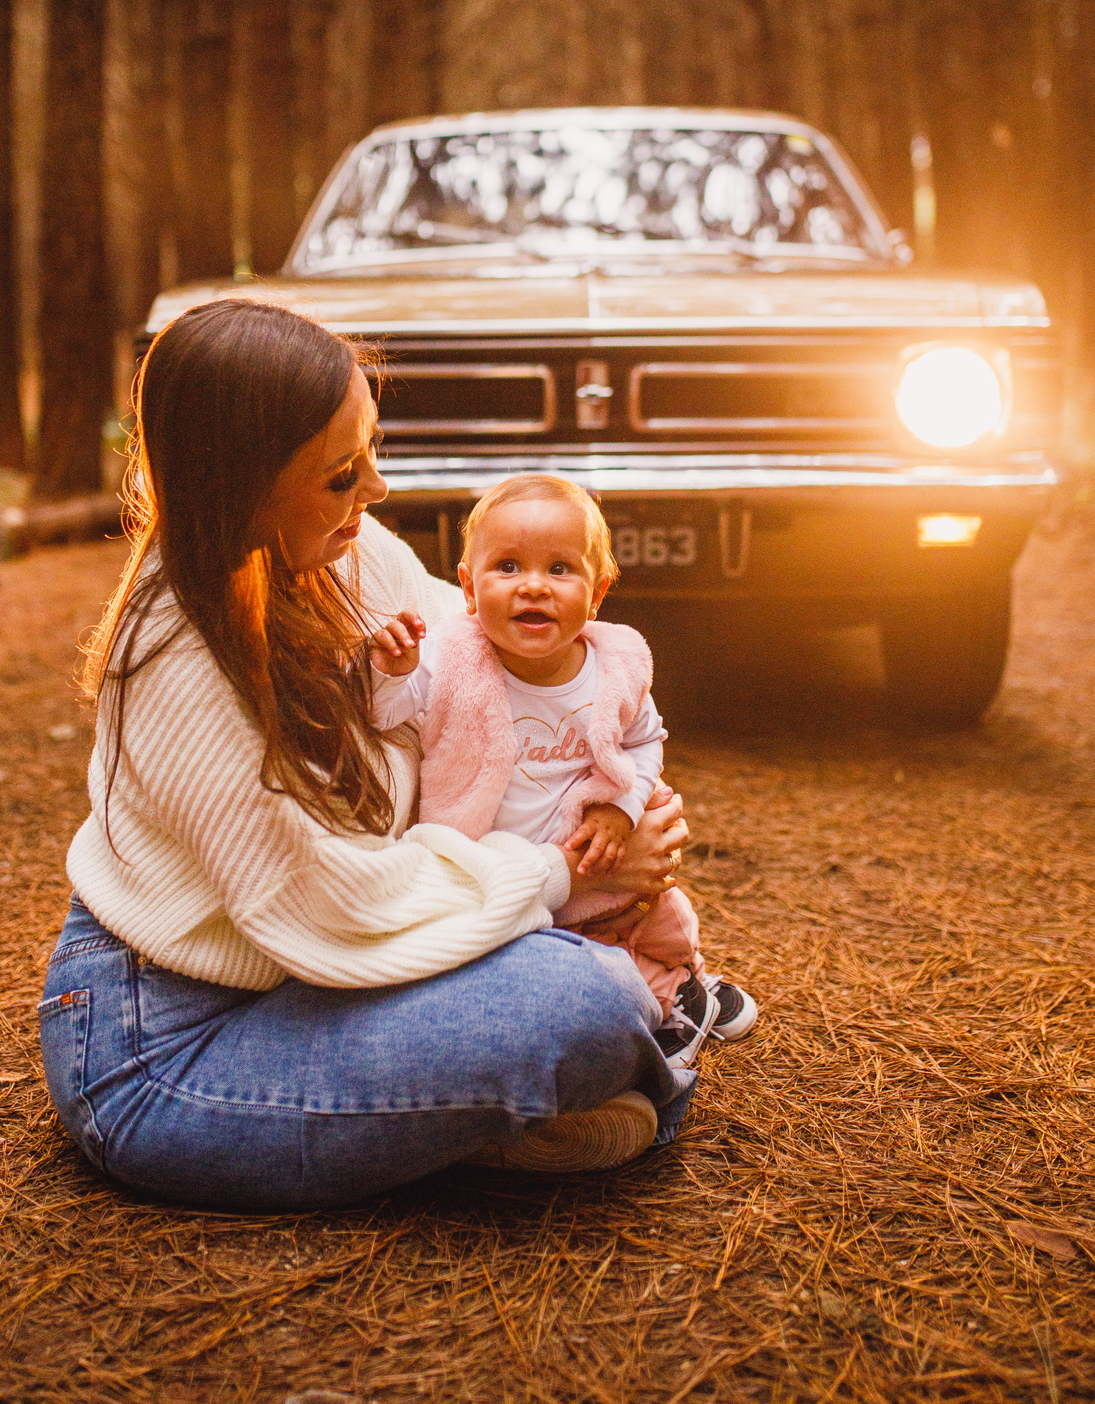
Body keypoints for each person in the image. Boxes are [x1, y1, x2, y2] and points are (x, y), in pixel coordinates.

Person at [39, 298, 696, 1212]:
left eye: (372, 449)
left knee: (589, 988)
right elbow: (331, 905)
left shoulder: (335, 548)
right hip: (168, 1043)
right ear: (244, 485)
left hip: (323, 973)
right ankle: (463, 1116)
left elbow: (476, 647)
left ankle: (445, 1113)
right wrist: (565, 872)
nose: (378, 489)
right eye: (343, 473)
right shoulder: (177, 668)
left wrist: (607, 781)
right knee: (588, 1003)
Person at [367, 475, 757, 1064]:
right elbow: (386, 714)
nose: (533, 585)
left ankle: (688, 979)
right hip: (509, 872)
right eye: (507, 567)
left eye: (559, 569)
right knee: (581, 966)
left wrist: (619, 808)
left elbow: (646, 743)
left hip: (599, 856)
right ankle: (671, 999)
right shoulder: (450, 659)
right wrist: (391, 670)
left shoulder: (615, 669)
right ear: (469, 587)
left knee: (657, 922)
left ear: (596, 594)